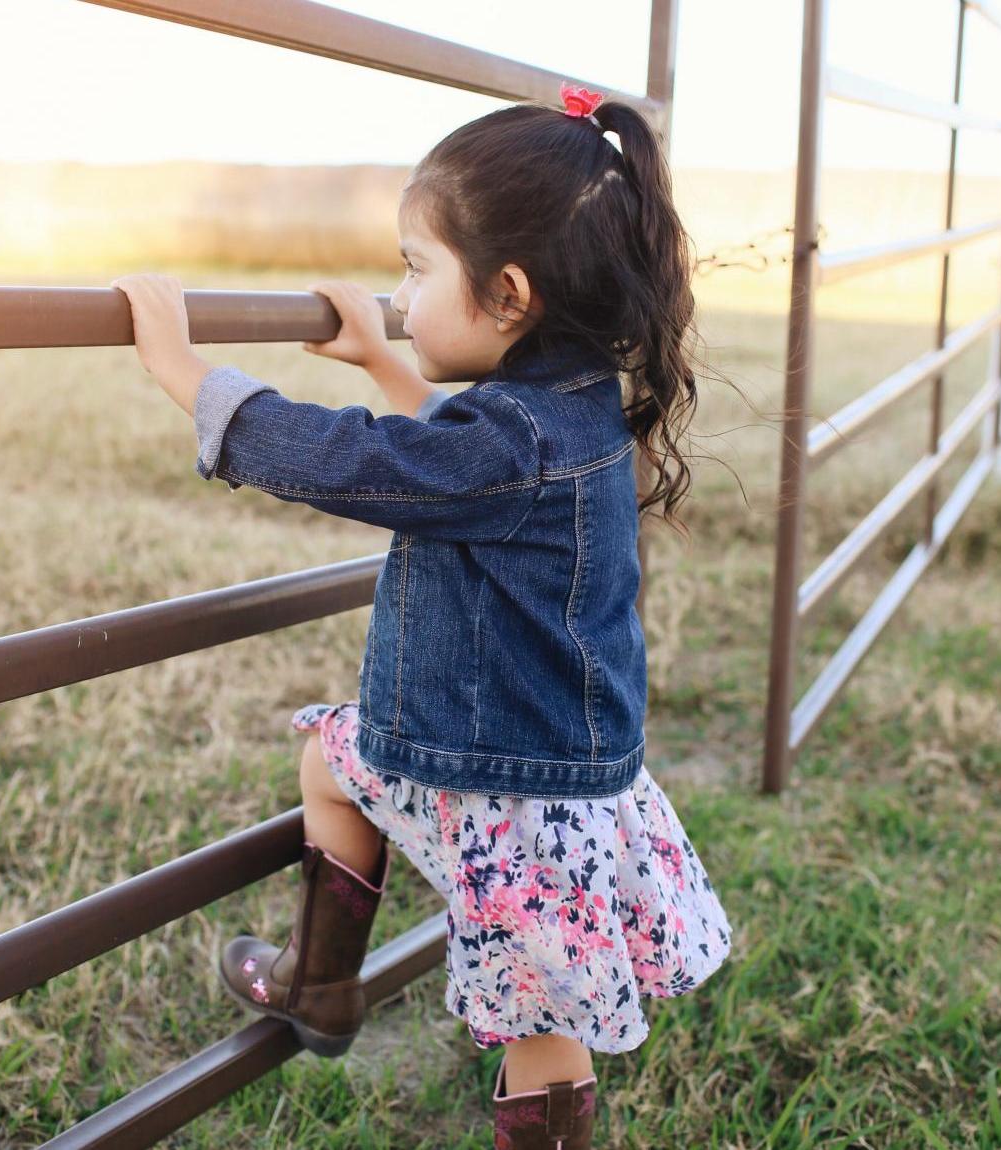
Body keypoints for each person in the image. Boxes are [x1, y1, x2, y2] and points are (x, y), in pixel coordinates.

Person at [112, 80, 732, 1150]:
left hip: (510, 784)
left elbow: (368, 464)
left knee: (541, 1030)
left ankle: (337, 999)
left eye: (414, 268)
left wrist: (187, 372)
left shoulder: (514, 440)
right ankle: (319, 988)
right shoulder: (570, 405)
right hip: (524, 762)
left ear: (509, 296)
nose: (398, 292)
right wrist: (386, 358)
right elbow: (456, 466)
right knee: (332, 758)